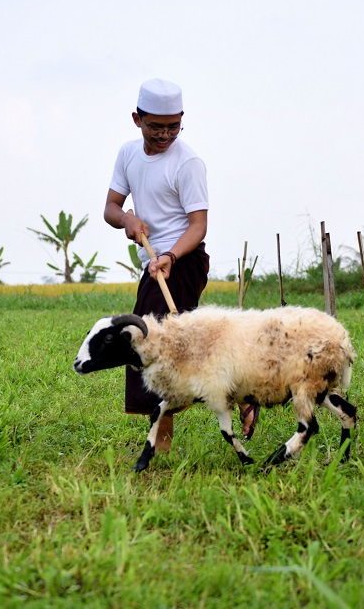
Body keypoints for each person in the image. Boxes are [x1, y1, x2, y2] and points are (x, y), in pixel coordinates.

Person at [103, 78, 258, 454]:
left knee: (151, 348)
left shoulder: (188, 163)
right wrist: (128, 221)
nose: (165, 134)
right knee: (181, 347)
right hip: (153, 266)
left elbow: (198, 225)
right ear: (137, 119)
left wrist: (171, 256)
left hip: (182, 264)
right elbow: (110, 208)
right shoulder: (128, 155)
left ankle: (160, 452)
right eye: (157, 126)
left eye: (174, 126)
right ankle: (244, 390)